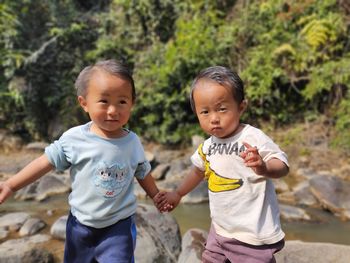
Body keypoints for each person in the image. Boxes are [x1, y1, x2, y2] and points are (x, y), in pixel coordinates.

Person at [0, 59, 162, 263]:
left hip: (118, 228)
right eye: (104, 101)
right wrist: (11, 184)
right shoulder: (74, 139)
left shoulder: (132, 142)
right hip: (80, 227)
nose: (113, 110)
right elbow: (44, 162)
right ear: (84, 103)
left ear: (132, 103)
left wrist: (156, 196)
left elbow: (142, 172)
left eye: (122, 101)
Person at [156, 66, 289, 263]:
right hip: (220, 230)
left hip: (251, 235)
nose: (214, 119)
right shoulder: (208, 146)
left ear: (241, 107)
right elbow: (197, 171)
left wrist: (264, 167)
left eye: (222, 109)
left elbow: (283, 165)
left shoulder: (252, 137)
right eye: (205, 112)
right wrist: (178, 193)